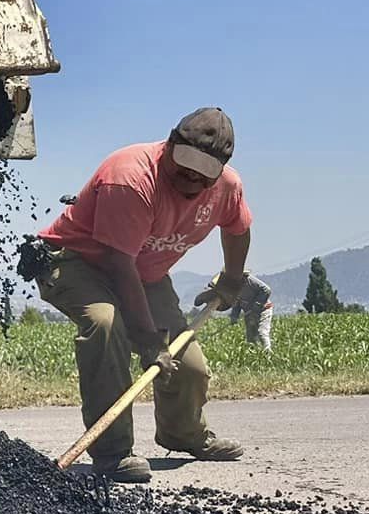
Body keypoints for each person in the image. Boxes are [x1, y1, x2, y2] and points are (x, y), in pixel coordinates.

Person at [32, 108, 253, 483]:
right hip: (77, 261)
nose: (189, 179)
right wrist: (149, 340)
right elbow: (120, 266)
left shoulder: (227, 187)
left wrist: (232, 278)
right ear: (169, 143)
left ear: (218, 170)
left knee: (190, 365)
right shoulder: (131, 179)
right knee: (105, 325)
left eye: (202, 175)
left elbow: (237, 227)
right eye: (183, 166)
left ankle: (183, 434)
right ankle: (113, 452)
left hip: (145, 273)